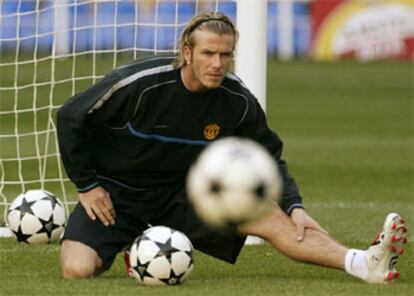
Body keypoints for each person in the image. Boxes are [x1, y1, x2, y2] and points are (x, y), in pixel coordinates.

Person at [56, 12, 407, 283]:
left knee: (279, 221)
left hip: (190, 192)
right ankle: (138, 246)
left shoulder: (236, 100)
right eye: (208, 53)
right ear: (187, 52)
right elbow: (71, 116)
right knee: (77, 269)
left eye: (226, 55)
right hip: (119, 193)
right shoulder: (140, 85)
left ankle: (365, 263)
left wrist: (294, 204)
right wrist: (88, 185)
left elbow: (269, 154)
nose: (217, 64)